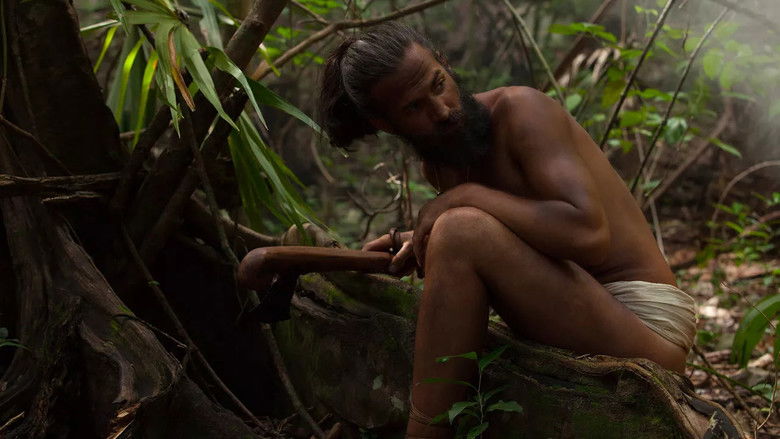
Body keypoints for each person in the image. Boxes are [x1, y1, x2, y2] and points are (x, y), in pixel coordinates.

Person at [318, 22, 696, 438]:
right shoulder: (440, 165)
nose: (442, 109)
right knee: (457, 229)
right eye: (414, 107)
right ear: (386, 123)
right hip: (577, 307)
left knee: (460, 229)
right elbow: (514, 234)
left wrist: (459, 203)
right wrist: (421, 238)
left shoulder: (522, 110)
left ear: (443, 62)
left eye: (438, 84)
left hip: (643, 323)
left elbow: (588, 235)